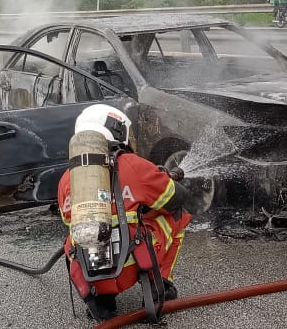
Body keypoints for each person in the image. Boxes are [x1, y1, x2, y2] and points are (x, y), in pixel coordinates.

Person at [58, 104, 191, 321]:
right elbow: (175, 198)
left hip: (89, 272)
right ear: (119, 131)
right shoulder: (133, 164)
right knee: (178, 215)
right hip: (129, 267)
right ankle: (161, 287)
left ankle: (103, 302)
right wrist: (158, 180)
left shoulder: (67, 177)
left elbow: (68, 218)